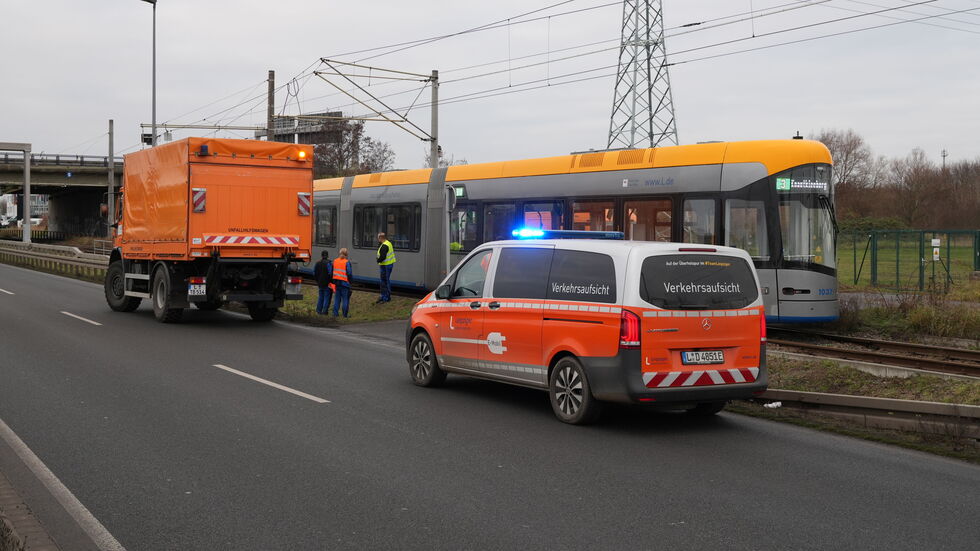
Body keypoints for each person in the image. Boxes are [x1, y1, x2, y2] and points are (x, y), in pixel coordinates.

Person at [332, 248, 354, 317]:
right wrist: (350, 282)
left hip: (337, 283)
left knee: (337, 299)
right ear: (346, 254)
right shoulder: (347, 262)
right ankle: (344, 314)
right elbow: (349, 273)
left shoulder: (335, 261)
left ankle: (335, 314)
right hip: (345, 283)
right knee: (345, 299)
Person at [376, 232, 396, 303]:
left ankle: (386, 297)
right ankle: (383, 296)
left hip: (385, 265)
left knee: (384, 281)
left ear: (380, 238)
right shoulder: (388, 243)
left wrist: (378, 260)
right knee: (384, 281)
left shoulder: (384, 245)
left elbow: (382, 257)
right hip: (387, 265)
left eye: (378, 238)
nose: (378, 239)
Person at [313, 250, 333, 315]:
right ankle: (324, 311)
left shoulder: (317, 263)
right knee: (326, 298)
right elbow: (330, 274)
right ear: (327, 256)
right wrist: (330, 282)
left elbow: (314, 273)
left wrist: (317, 281)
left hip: (320, 283)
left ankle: (318, 311)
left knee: (320, 297)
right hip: (327, 284)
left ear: (321, 255)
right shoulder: (329, 263)